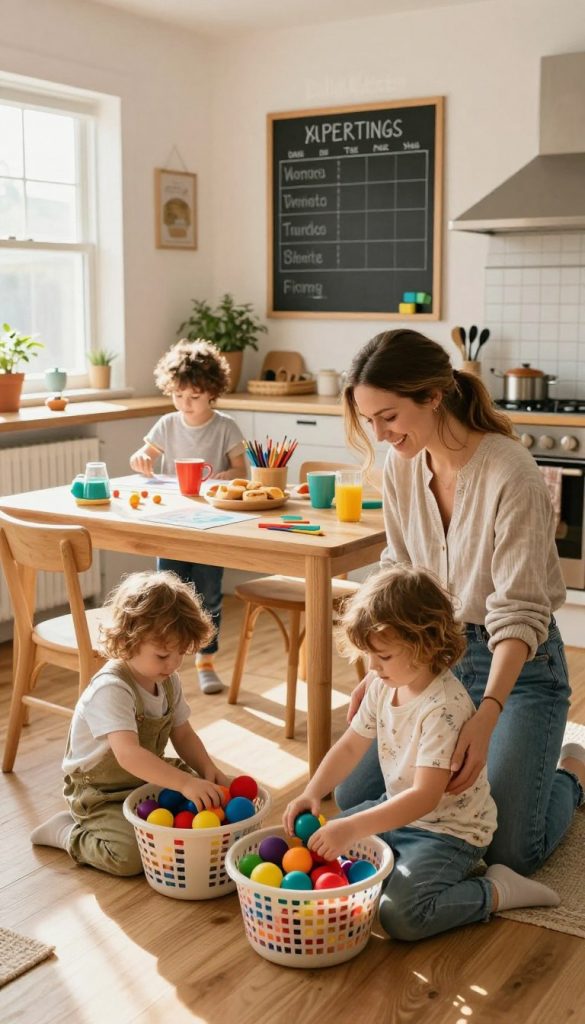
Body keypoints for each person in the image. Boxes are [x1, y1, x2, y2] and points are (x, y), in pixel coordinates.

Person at [337, 328, 585, 875]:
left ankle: (571, 772)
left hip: (519, 668)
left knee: (511, 849)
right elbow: (397, 575)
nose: (379, 435)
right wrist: (378, 673)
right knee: (352, 800)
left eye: (389, 417)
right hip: (430, 656)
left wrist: (486, 716)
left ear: (433, 395)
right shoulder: (403, 466)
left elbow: (520, 610)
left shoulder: (509, 471)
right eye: (369, 419)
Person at [284, 566, 560, 942]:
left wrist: (351, 826)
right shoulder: (383, 685)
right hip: (397, 812)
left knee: (401, 915)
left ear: (424, 645)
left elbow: (425, 797)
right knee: (321, 856)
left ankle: (496, 892)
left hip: (447, 832)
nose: (372, 667)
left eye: (382, 656)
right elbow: (350, 745)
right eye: (369, 656)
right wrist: (312, 791)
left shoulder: (443, 708)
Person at [31, 571, 230, 877]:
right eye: (163, 654)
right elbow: (129, 754)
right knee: (129, 858)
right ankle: (69, 834)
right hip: (100, 792)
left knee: (205, 804)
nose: (174, 664)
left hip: (146, 779)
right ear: (127, 641)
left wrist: (206, 769)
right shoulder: (112, 688)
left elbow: (183, 733)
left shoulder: (168, 680)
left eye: (180, 653)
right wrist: (186, 784)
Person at [130, 339, 247, 693]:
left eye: (194, 397)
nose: (185, 404)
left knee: (208, 595)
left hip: (212, 525)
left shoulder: (225, 426)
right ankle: (164, 661)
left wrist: (228, 475)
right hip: (173, 522)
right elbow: (144, 453)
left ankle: (205, 659)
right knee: (167, 592)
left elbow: (241, 470)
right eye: (178, 396)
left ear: (212, 392)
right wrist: (140, 458)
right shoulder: (168, 424)